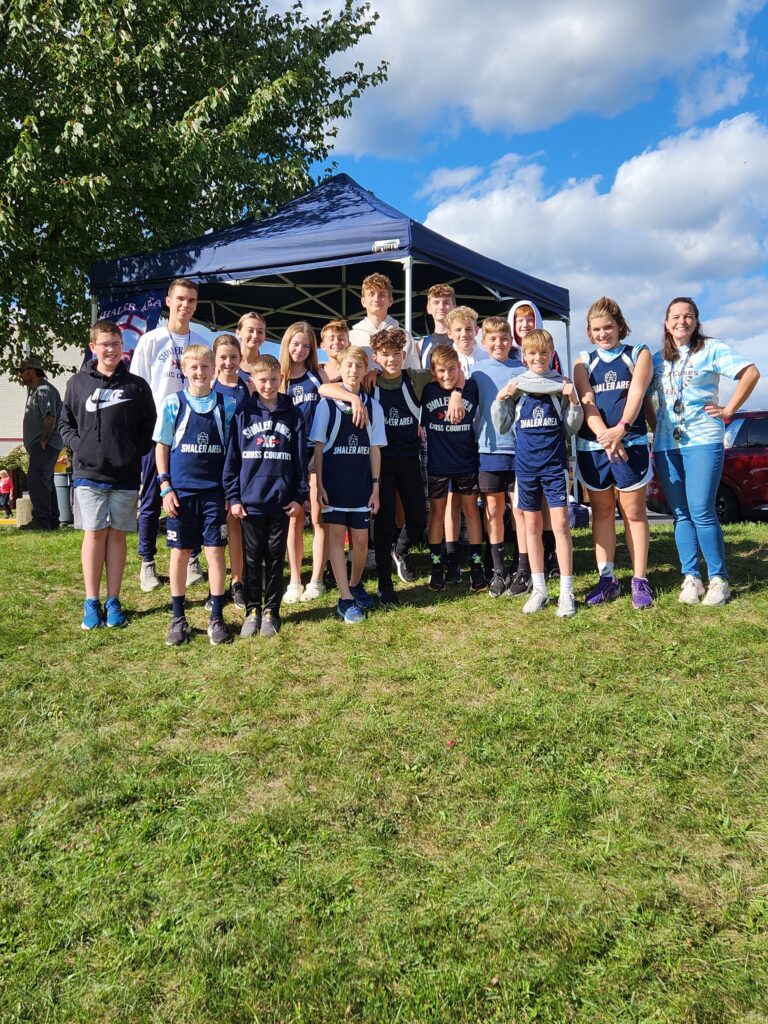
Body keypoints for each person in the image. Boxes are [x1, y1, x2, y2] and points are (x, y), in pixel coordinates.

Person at [319, 328, 463, 605]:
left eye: (396, 354)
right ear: (376, 358)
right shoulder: (370, 382)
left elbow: (451, 373)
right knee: (383, 525)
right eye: (384, 355)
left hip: (410, 458)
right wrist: (353, 398)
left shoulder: (416, 378)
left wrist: (456, 392)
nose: (391, 360)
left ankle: (401, 549)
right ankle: (385, 584)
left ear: (404, 355)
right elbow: (325, 387)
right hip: (381, 462)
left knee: (419, 517)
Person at [651, 297, 760, 606]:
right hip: (665, 445)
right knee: (681, 513)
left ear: (696, 321)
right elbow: (643, 394)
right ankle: (691, 577)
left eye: (688, 316)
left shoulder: (711, 349)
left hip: (703, 440)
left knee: (701, 510)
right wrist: (654, 421)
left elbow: (750, 373)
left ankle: (719, 579)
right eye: (675, 316)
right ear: (666, 322)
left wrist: (730, 409)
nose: (681, 322)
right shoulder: (659, 359)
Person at [59, 321, 156, 629]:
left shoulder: (137, 386)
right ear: (93, 347)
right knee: (95, 533)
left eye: (116, 343)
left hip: (125, 475)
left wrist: (133, 451)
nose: (111, 349)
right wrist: (81, 447)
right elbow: (65, 423)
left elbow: (149, 426)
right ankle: (92, 601)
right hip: (88, 473)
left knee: (116, 536)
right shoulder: (77, 383)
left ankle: (113, 601)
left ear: (122, 346)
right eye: (105, 344)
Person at [492, 329, 583, 617]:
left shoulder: (561, 385)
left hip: (554, 467)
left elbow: (571, 427)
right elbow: (503, 426)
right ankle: (540, 589)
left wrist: (575, 401)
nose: (538, 358)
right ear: (525, 356)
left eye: (543, 353)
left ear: (551, 354)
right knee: (529, 527)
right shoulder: (517, 386)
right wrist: (500, 398)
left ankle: (566, 591)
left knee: (560, 526)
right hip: (525, 469)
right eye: (532, 353)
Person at [130, 277, 211, 592]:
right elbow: (138, 389)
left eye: (191, 300)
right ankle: (147, 563)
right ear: (168, 301)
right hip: (159, 434)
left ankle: (192, 558)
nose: (185, 305)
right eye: (180, 299)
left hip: (193, 432)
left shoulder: (202, 339)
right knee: (152, 498)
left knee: (194, 498)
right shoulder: (152, 340)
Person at [574, 297, 654, 610]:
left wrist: (621, 427)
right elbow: (587, 402)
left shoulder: (638, 353)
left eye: (608, 327)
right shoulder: (583, 361)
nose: (603, 333)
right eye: (596, 329)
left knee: (633, 512)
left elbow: (636, 393)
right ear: (589, 332)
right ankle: (607, 578)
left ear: (620, 325)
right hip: (595, 446)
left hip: (630, 442)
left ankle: (639, 580)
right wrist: (606, 436)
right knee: (603, 512)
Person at [154, 345, 236, 646]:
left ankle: (216, 617)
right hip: (181, 493)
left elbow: (231, 450)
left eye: (205, 367)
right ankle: (179, 618)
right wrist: (165, 486)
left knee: (215, 553)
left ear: (213, 369)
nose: (200, 373)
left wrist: (230, 490)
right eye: (194, 368)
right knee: (180, 553)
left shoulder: (226, 406)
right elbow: (161, 446)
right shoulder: (173, 403)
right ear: (184, 371)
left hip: (215, 492)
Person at [223, 354, 308, 638]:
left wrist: (299, 496)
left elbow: (299, 460)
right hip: (249, 502)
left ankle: (272, 610)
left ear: (281, 379)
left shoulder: (293, 414)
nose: (269, 385)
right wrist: (234, 498)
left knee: (274, 558)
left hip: (281, 502)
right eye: (263, 380)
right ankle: (252, 610)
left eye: (273, 380)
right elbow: (232, 460)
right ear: (253, 381)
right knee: (251, 559)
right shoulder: (243, 413)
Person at [311, 346, 386, 623]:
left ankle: (354, 584)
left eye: (358, 366)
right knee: (334, 537)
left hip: (361, 484)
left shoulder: (373, 406)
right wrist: (319, 485)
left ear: (366, 369)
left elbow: (375, 449)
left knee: (361, 540)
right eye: (348, 366)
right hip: (334, 482)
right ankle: (344, 598)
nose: (353, 371)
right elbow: (318, 448)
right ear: (340, 369)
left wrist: (376, 486)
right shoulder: (327, 404)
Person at [421, 345, 486, 591]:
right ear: (433, 372)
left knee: (471, 512)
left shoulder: (471, 388)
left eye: (452, 369)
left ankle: (476, 565)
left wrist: (458, 391)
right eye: (441, 371)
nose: (447, 375)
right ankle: (438, 565)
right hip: (438, 463)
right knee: (437, 513)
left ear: (459, 367)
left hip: (465, 461)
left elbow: (464, 381)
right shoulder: (426, 391)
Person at [468, 316, 524, 596]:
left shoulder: (523, 369)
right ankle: (498, 570)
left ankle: (523, 567)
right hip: (488, 450)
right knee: (493, 510)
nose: (499, 343)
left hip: (519, 449)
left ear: (511, 340)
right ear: (484, 342)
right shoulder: (477, 371)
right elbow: (466, 400)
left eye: (504, 338)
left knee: (520, 511)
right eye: (493, 339)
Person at [279, 322, 328, 603]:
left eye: (306, 345)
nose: (300, 350)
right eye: (295, 344)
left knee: (318, 516)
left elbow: (334, 394)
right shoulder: (279, 378)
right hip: (287, 456)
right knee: (294, 517)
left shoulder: (317, 376)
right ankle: (295, 579)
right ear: (287, 344)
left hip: (313, 454)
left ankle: (317, 579)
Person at [213, 333, 253, 610]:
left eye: (233, 357)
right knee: (214, 528)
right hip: (212, 464)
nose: (229, 362)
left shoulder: (247, 388)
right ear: (215, 360)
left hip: (240, 465)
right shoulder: (208, 387)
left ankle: (238, 580)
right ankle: (215, 583)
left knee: (235, 521)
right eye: (223, 358)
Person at [17, 355, 63, 530]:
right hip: (44, 445)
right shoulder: (37, 390)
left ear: (33, 372)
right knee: (45, 481)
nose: (20, 375)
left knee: (36, 479)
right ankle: (51, 520)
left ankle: (41, 520)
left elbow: (50, 417)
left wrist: (43, 440)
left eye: (22, 371)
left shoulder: (43, 390)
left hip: (45, 445)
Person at [349, 272, 420, 369]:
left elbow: (412, 372)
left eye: (382, 294)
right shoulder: (351, 337)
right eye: (371, 294)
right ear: (363, 301)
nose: (376, 299)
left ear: (390, 300)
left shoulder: (404, 336)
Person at [418, 284, 456, 368]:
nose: (441, 307)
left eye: (446, 302)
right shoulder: (421, 345)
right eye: (436, 302)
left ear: (454, 308)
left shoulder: (462, 340)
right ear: (429, 308)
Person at [236, 312, 267, 381]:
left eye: (260, 332)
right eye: (250, 330)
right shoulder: (226, 363)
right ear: (238, 333)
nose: (255, 335)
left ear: (265, 336)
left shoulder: (269, 367)